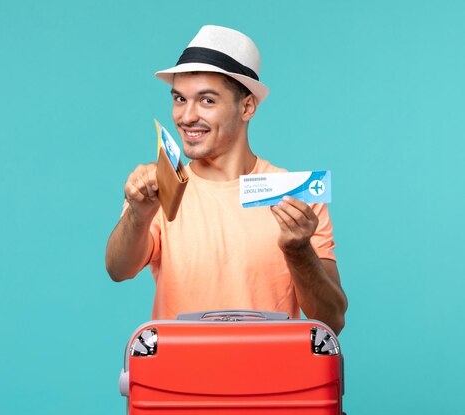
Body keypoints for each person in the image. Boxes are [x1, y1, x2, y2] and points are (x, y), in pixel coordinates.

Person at [105, 25, 347, 334]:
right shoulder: (161, 188)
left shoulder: (295, 196)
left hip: (271, 378)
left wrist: (299, 251)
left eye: (206, 101)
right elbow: (118, 269)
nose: (186, 116)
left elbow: (332, 321)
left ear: (246, 107)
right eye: (180, 99)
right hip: (179, 377)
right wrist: (138, 213)